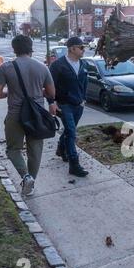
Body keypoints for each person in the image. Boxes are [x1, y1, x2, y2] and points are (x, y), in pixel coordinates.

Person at [0, 35, 57, 196]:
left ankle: (25, 176)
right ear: (31, 48)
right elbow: (51, 93)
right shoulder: (42, 67)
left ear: (14, 49)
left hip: (15, 115)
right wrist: (36, 93)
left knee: (13, 149)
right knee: (35, 151)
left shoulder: (6, 67)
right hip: (37, 116)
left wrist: (10, 92)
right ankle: (31, 184)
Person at [49, 36, 89, 177]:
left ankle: (61, 149)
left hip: (79, 104)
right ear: (72, 48)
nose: (84, 50)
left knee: (69, 131)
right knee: (71, 132)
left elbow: (84, 83)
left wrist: (84, 99)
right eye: (81, 47)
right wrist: (51, 102)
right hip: (64, 104)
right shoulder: (58, 65)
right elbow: (50, 85)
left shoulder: (83, 64)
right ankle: (74, 164)